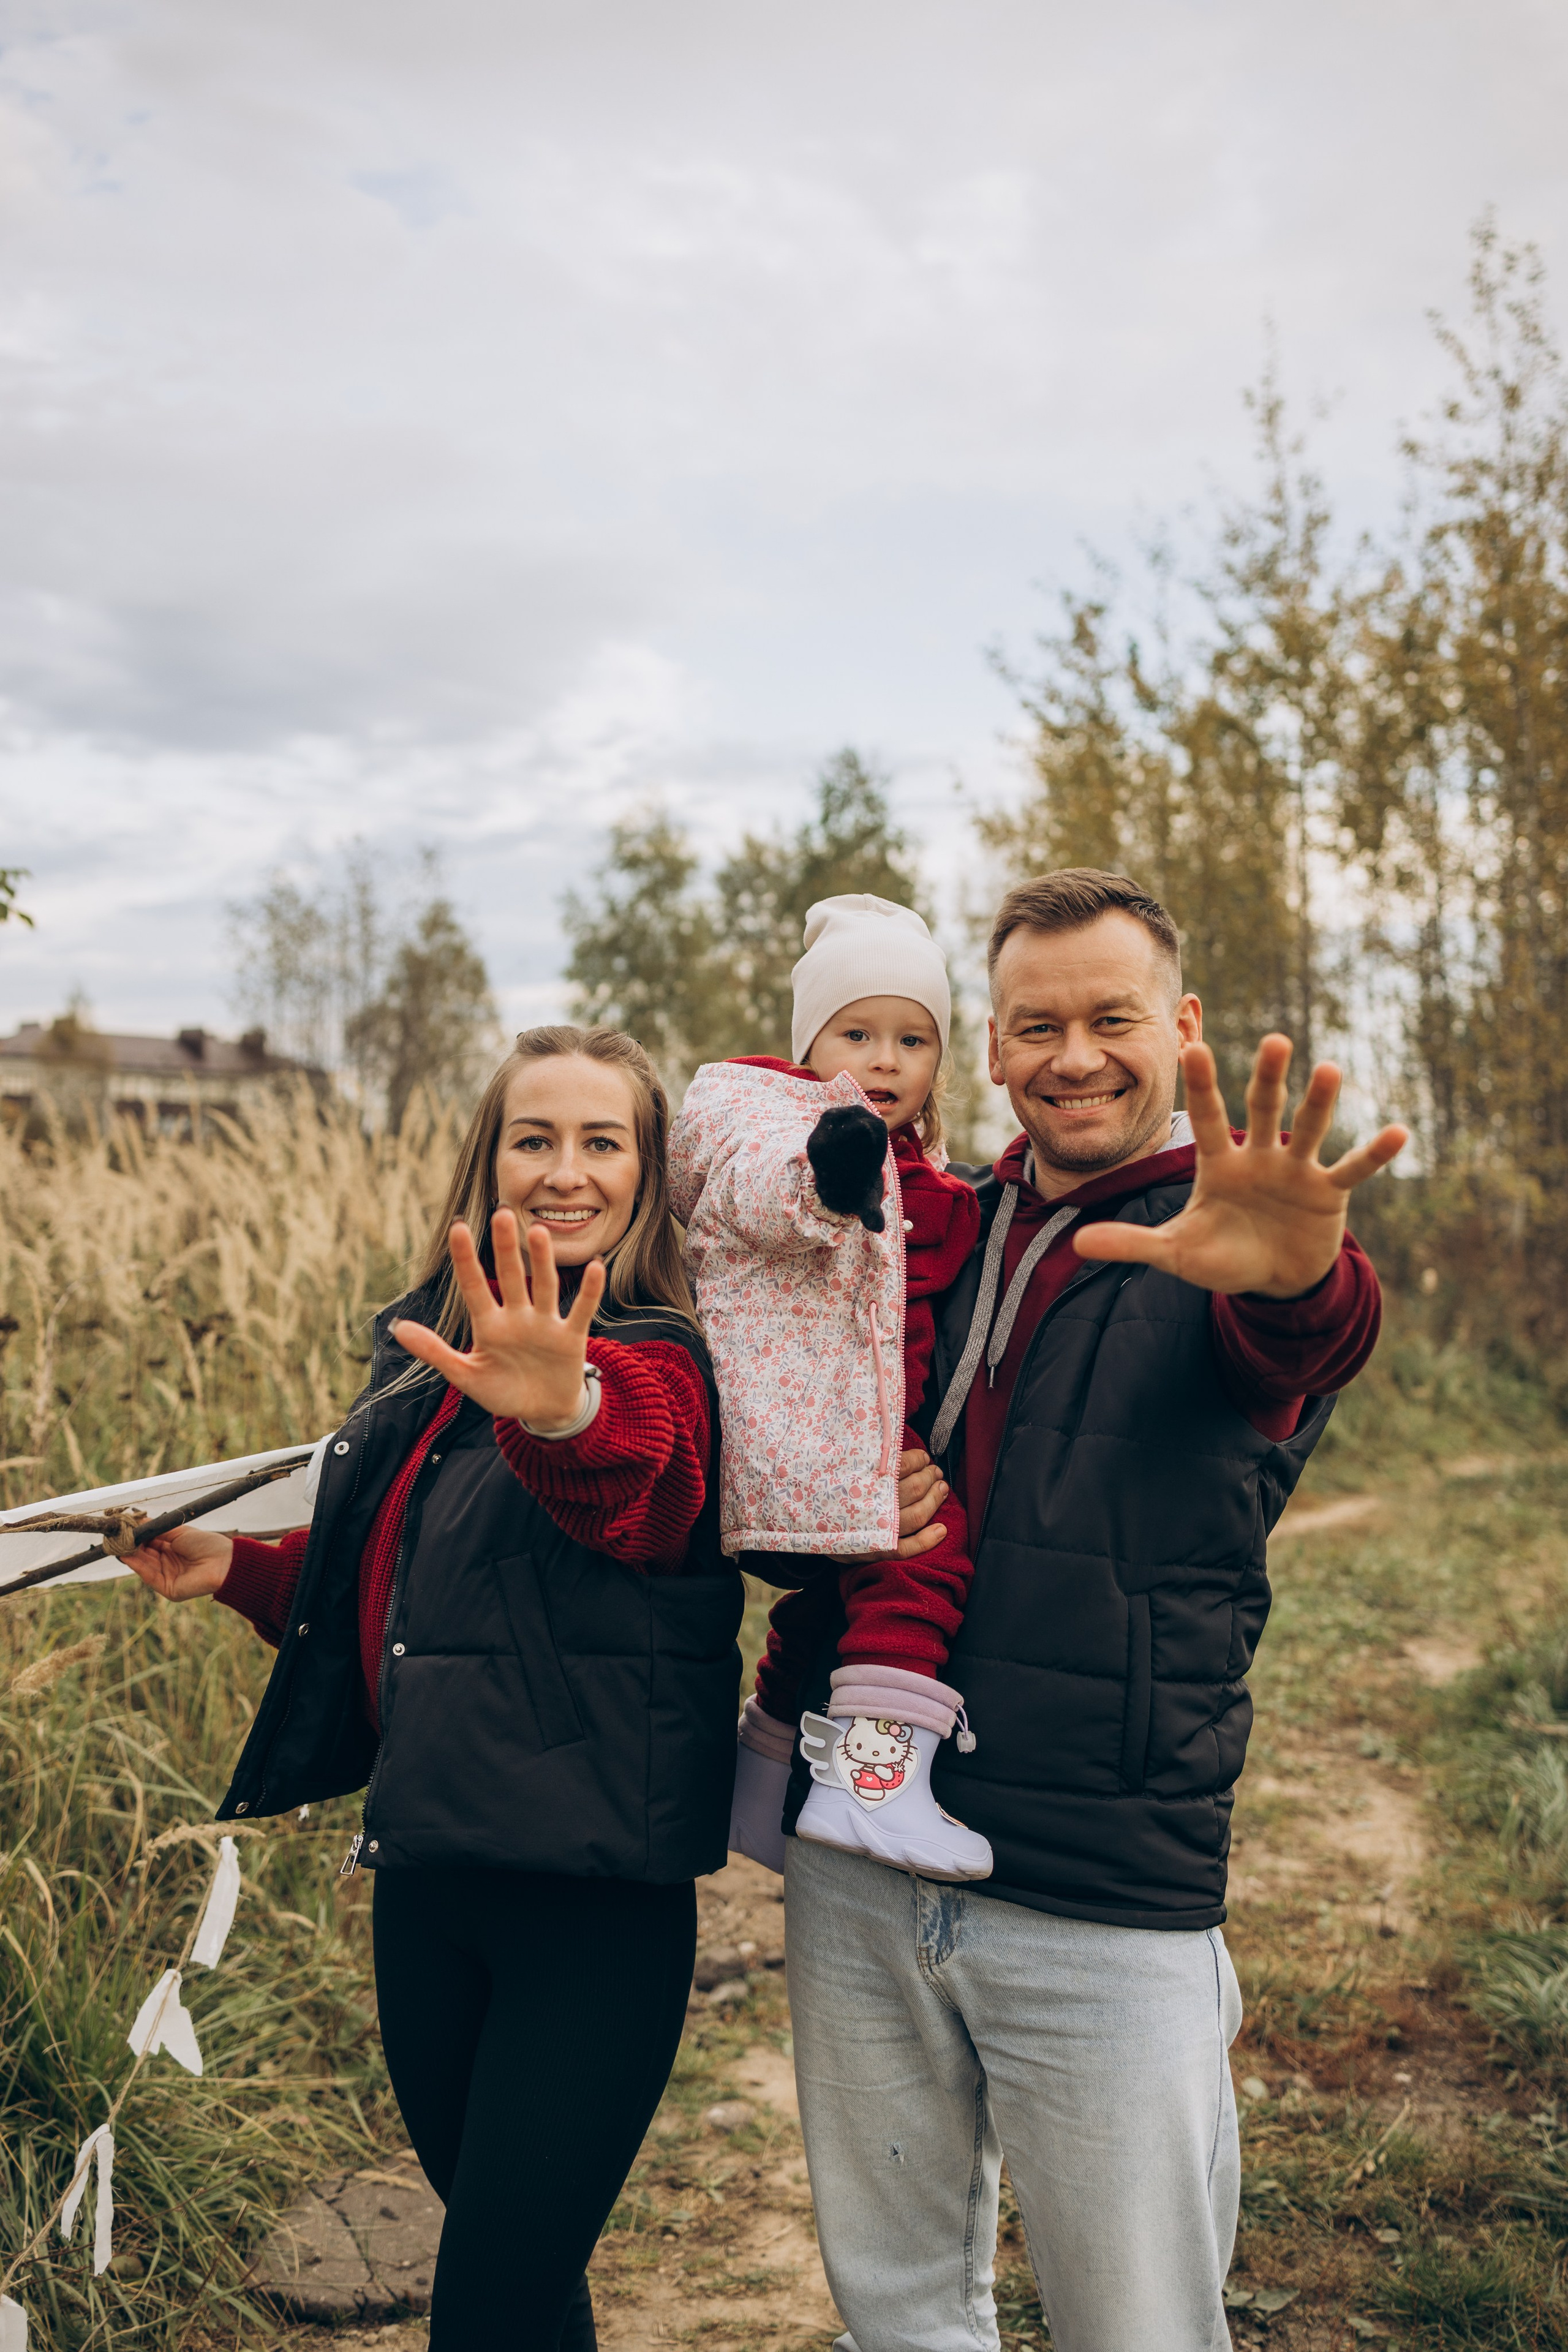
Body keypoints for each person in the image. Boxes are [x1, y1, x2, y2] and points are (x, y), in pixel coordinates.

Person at [778, 870, 1408, 2352]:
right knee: (901, 2313)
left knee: (1136, 2327)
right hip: (862, 1862)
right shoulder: (907, 1230)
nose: (1074, 1055)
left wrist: (1302, 1271)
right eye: (1035, 1024)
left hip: (1100, 1890)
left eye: (1111, 1019)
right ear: (988, 1050)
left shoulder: (1221, 1243)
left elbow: (1307, 1335)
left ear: (1176, 1024)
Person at [124, 1025, 745, 2352]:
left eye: (601, 1142)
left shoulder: (664, 1360)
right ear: (488, 1161)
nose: (563, 1171)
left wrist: (561, 1408)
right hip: (428, 1890)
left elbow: (635, 1478)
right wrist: (233, 1566)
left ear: (649, 1176)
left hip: (588, 1913)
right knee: (519, 2283)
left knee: (484, 2307)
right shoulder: (426, 1374)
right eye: (535, 1138)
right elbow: (406, 1600)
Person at [669, 893, 991, 1883]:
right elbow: (764, 1192)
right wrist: (832, 1174)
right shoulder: (773, 1127)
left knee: (826, 1613)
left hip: (855, 1432)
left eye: (912, 1039)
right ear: (811, 1040)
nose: (885, 1059)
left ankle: (760, 1788)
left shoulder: (919, 1168)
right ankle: (872, 1787)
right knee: (925, 1558)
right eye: (857, 1032)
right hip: (813, 1443)